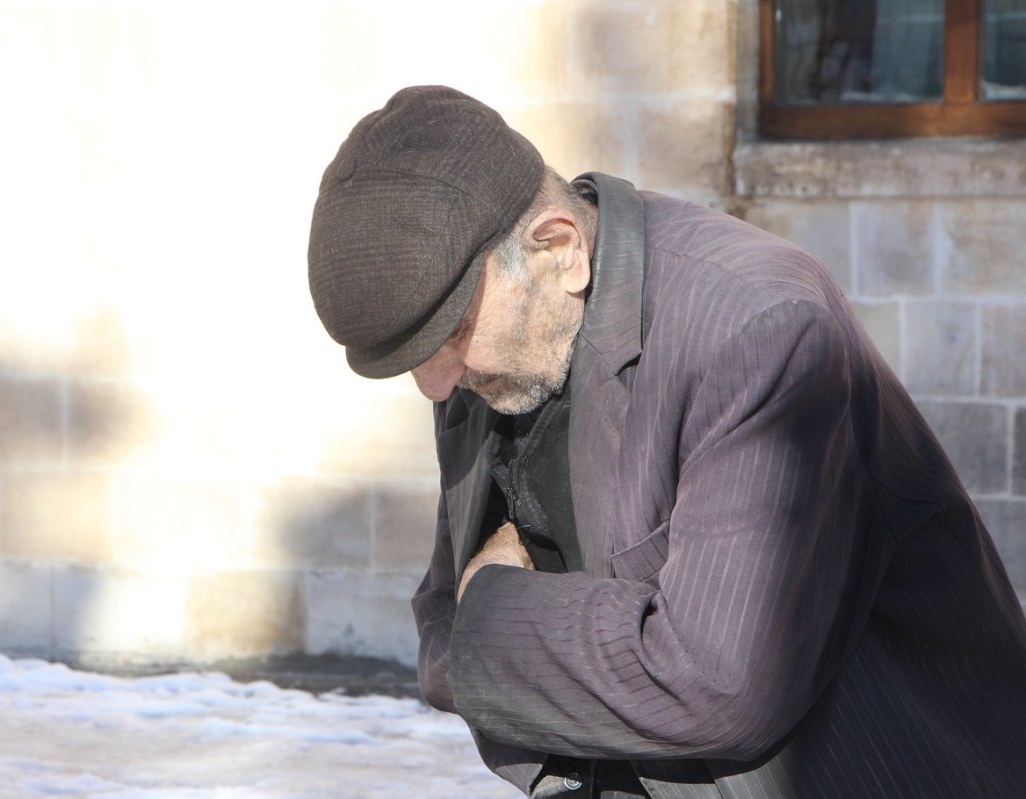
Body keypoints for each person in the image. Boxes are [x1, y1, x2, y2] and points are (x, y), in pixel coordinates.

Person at [306, 85, 1026, 798]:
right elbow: (439, 629)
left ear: (560, 249)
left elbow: (716, 682)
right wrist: (512, 639)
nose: (435, 385)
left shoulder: (760, 327)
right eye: (416, 357)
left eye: (451, 334)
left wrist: (493, 606)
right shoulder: (478, 364)